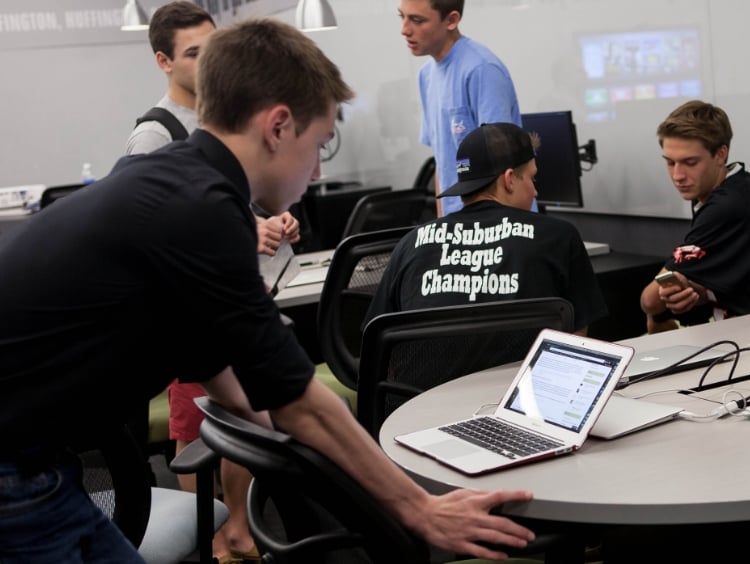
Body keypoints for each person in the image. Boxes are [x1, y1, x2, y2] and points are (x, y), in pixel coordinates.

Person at [0, 17, 538, 563]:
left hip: (40, 457)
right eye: (319, 145)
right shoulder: (202, 209)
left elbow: (233, 381)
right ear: (279, 126)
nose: (312, 173)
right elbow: (296, 401)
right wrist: (420, 510)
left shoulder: (182, 182)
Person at [122, 4, 297, 563]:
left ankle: (239, 528)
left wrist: (267, 221)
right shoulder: (156, 134)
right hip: (186, 312)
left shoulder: (220, 123)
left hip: (233, 299)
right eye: (195, 53)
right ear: (163, 61)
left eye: (214, 48)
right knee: (197, 424)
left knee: (243, 423)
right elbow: (155, 229)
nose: (210, 62)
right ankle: (210, 540)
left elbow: (227, 208)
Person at [365, 122, 607, 336]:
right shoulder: (559, 237)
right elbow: (576, 337)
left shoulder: (411, 243)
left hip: (430, 388)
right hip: (520, 386)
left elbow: (376, 333)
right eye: (532, 178)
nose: (535, 192)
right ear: (509, 179)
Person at [639, 100, 750, 334]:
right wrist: (697, 292)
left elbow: (650, 300)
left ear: (720, 154)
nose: (678, 175)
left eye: (690, 163)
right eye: (670, 162)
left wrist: (658, 314)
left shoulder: (729, 205)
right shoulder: (733, 186)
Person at [399, 0, 536, 217]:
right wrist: (443, 225)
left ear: (452, 20)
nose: (404, 29)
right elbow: (442, 164)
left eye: (417, 20)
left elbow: (504, 167)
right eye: (402, 17)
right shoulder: (426, 77)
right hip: (458, 224)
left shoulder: (482, 70)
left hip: (498, 223)